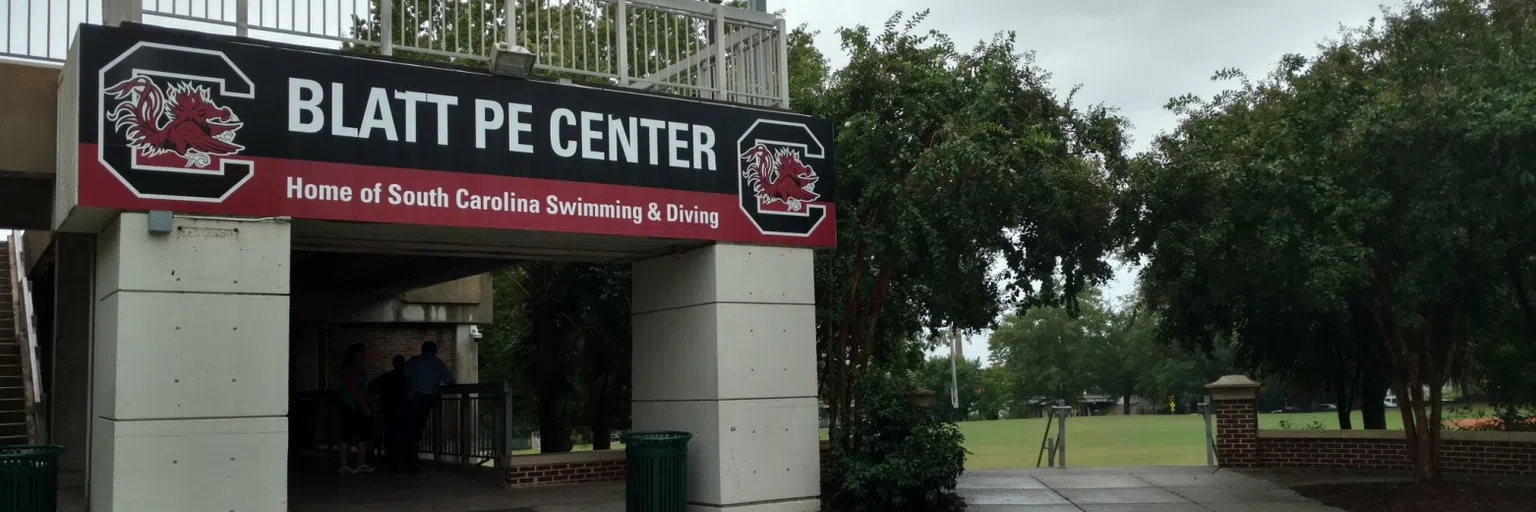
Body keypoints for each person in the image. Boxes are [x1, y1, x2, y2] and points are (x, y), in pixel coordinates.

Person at [403, 341, 455, 474]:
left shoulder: (414, 361)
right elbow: (450, 381)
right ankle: (412, 460)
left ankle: (410, 459)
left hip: (412, 399)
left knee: (410, 429)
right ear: (435, 351)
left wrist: (409, 391)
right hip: (428, 399)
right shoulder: (438, 364)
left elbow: (403, 376)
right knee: (417, 429)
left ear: (422, 350)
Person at [335, 343, 374, 474]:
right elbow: (353, 389)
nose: (365, 355)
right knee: (346, 434)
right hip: (349, 405)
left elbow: (362, 388)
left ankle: (361, 463)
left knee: (363, 434)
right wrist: (364, 405)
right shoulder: (349, 368)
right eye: (363, 353)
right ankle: (343, 465)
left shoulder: (359, 368)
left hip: (358, 405)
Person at [369, 355, 410, 473]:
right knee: (402, 434)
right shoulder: (406, 377)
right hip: (403, 410)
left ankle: (390, 459)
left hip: (388, 410)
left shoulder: (387, 376)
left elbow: (372, 386)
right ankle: (399, 458)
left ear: (394, 363)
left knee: (389, 434)